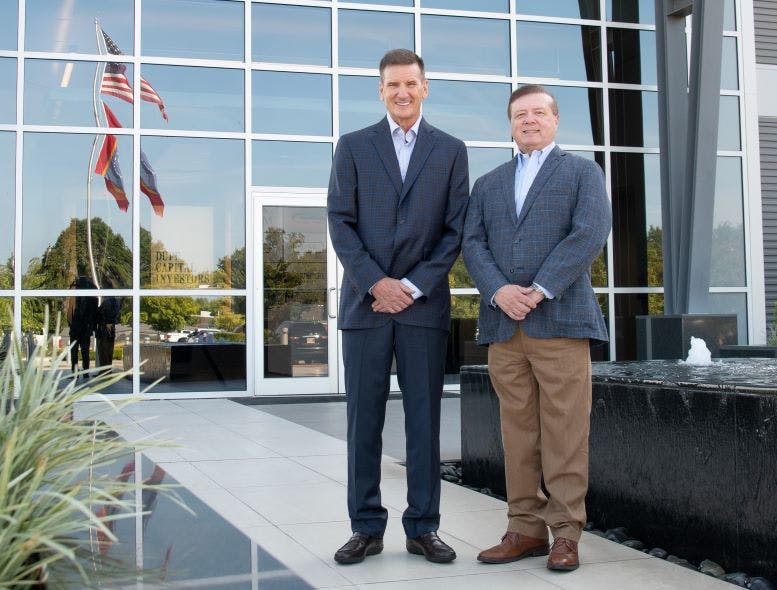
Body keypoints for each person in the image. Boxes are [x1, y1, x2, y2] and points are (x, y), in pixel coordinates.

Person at [327, 48, 469, 565]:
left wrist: (409, 286)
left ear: (425, 87)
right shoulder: (353, 146)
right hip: (366, 307)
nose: (402, 92)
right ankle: (365, 527)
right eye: (393, 85)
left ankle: (422, 527)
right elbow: (339, 222)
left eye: (411, 83)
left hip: (423, 308)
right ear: (381, 90)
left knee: (423, 423)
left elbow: (455, 230)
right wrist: (375, 283)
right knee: (362, 423)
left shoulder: (452, 151)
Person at [462, 84, 611, 572]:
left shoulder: (583, 173)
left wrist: (541, 287)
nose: (528, 120)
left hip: (560, 322)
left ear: (555, 119)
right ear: (509, 124)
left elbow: (588, 232)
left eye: (538, 112)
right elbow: (473, 243)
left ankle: (566, 534)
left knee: (566, 432)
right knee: (518, 434)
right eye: (519, 114)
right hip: (505, 327)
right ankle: (524, 528)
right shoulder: (488, 184)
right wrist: (499, 290)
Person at [66, 276, 99, 375]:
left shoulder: (75, 290)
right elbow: (94, 310)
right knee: (85, 351)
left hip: (76, 326)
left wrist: (71, 323)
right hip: (86, 326)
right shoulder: (92, 290)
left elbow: (70, 310)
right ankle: (85, 372)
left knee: (74, 351)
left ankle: (74, 371)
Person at [96, 290, 121, 370]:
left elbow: (101, 314)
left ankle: (104, 370)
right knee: (109, 349)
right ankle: (107, 369)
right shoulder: (116, 302)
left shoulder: (107, 302)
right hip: (111, 327)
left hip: (104, 328)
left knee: (104, 350)